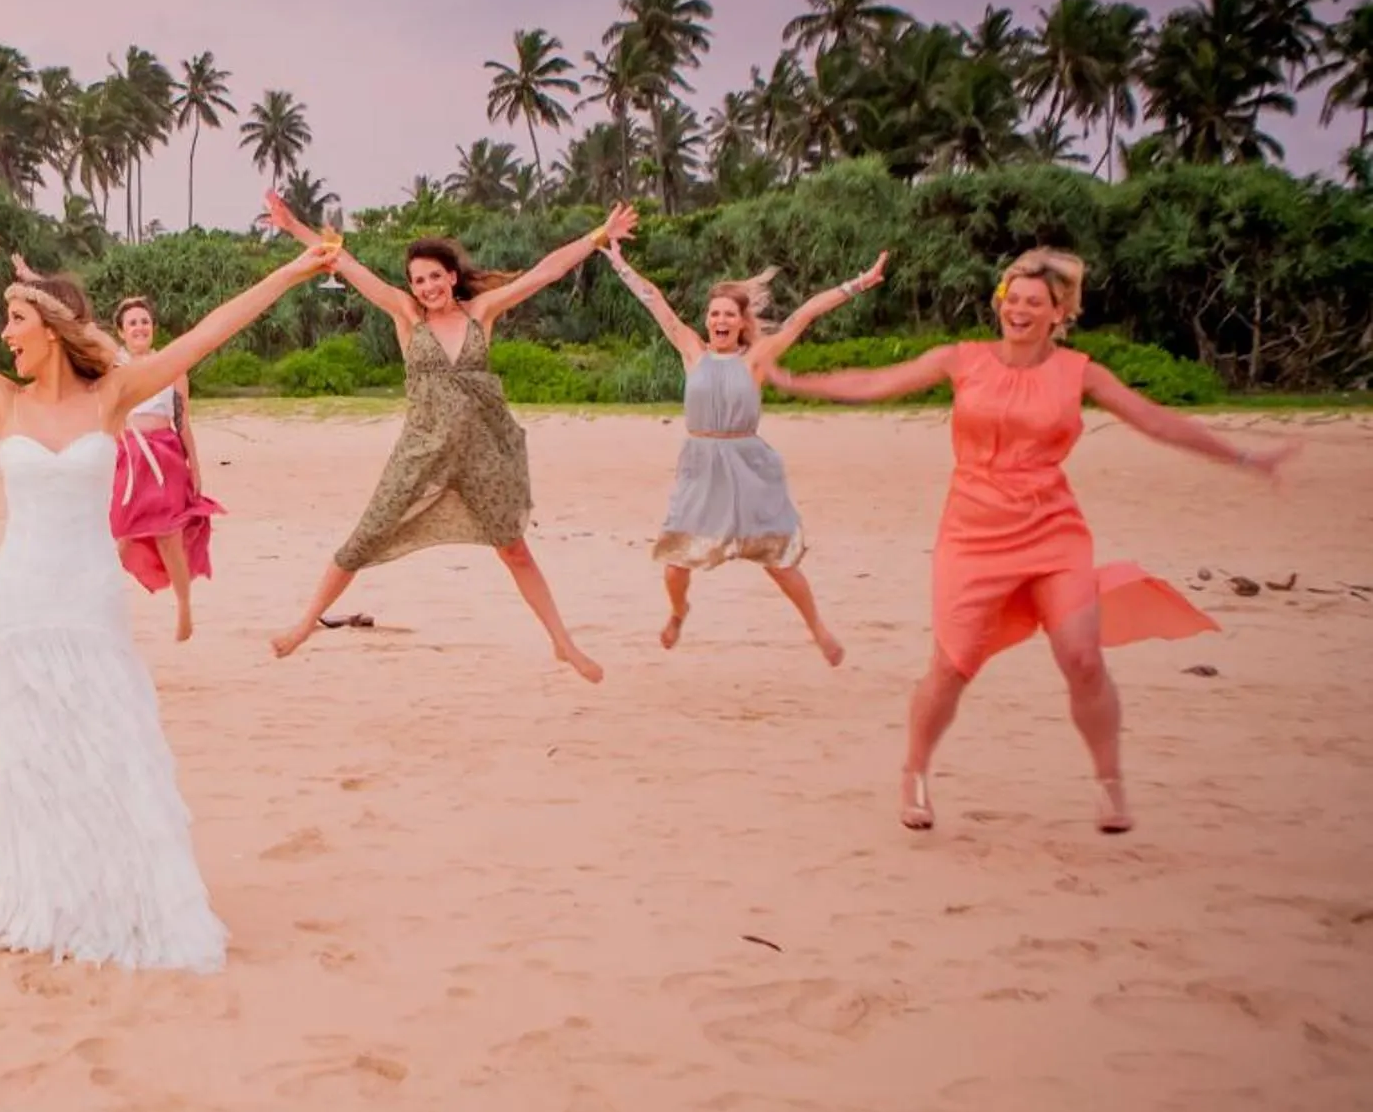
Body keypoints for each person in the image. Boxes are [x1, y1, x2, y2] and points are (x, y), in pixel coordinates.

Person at [0, 211, 336, 969]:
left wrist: (288, 272)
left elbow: (208, 333)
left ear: (49, 326)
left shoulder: (113, 395)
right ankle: (45, 896)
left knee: (105, 742)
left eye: (14, 320)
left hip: (88, 596)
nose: (4, 335)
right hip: (19, 597)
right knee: (32, 755)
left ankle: (120, 895)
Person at [767, 248, 1296, 834]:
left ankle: (1109, 782)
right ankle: (914, 774)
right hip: (972, 534)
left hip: (1052, 530)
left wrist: (1246, 457)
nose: (1018, 310)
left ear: (1058, 313)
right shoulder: (962, 360)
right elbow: (876, 382)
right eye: (1011, 300)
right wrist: (795, 380)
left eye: (1033, 303)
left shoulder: (1079, 372)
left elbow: (1155, 420)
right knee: (951, 666)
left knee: (1082, 657)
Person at [266, 194, 635, 681]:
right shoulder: (405, 314)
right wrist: (294, 227)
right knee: (364, 538)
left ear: (452, 277)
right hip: (420, 451)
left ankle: (563, 644)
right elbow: (342, 260)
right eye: (418, 280)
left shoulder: (481, 312)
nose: (427, 287)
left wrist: (597, 237)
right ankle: (304, 624)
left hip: (479, 451)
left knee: (514, 548)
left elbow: (543, 274)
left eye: (435, 276)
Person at [602, 243, 890, 661]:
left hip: (748, 466)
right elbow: (655, 302)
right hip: (701, 466)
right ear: (707, 320)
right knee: (675, 564)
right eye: (714, 313)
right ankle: (679, 613)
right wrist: (619, 262)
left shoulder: (756, 358)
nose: (721, 320)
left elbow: (805, 314)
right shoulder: (692, 352)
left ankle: (819, 629)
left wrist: (859, 283)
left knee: (779, 561)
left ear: (741, 323)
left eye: (729, 315)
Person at [108, 294, 222, 640]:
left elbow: (183, 421)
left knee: (169, 536)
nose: (140, 327)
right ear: (121, 332)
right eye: (132, 323)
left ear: (153, 328)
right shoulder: (113, 367)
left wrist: (196, 467)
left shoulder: (172, 366)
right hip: (128, 456)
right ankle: (103, 608)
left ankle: (184, 606)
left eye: (145, 321)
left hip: (166, 456)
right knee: (121, 539)